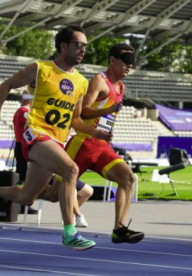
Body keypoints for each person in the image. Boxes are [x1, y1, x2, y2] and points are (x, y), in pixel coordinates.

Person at [0, 26, 110, 251]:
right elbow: (6, 85)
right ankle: (69, 233)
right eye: (79, 45)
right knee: (71, 170)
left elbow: (75, 120)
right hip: (35, 133)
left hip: (56, 140)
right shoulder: (41, 68)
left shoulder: (82, 83)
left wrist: (95, 133)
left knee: (27, 198)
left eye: (86, 46)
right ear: (63, 46)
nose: (83, 50)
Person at [64, 43, 144, 243]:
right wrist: (106, 112)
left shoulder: (120, 86)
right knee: (48, 194)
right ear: (112, 60)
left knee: (128, 178)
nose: (129, 67)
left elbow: (107, 115)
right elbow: (83, 112)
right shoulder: (99, 81)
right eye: (126, 62)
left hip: (101, 147)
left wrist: (108, 129)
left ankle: (120, 229)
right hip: (82, 143)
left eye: (131, 64)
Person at [13, 90, 31, 183]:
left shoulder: (19, 111)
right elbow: (30, 125)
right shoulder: (24, 111)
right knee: (23, 169)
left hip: (19, 143)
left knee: (20, 167)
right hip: (23, 144)